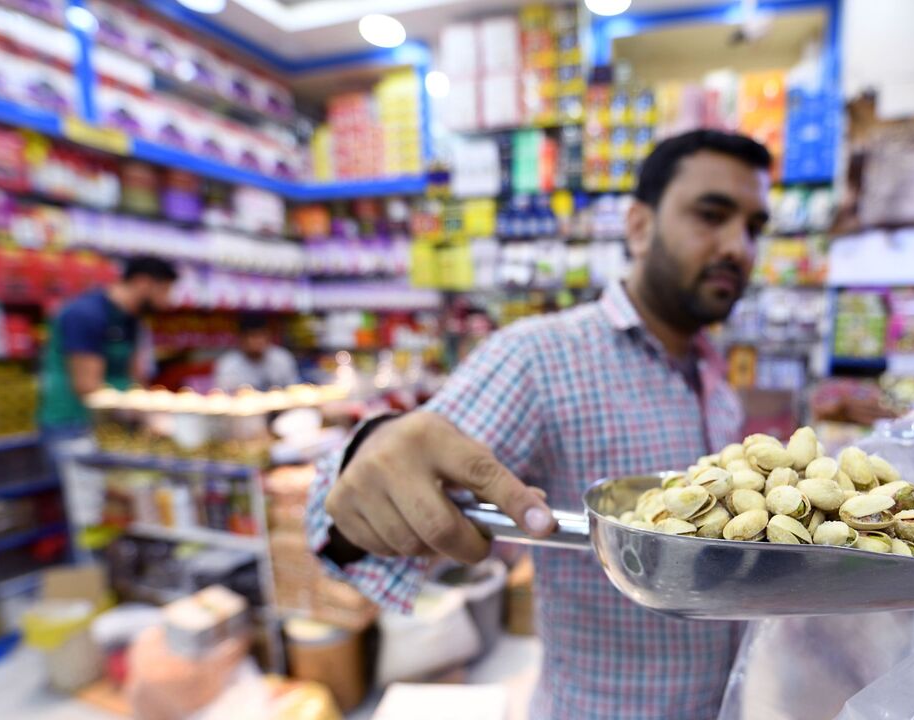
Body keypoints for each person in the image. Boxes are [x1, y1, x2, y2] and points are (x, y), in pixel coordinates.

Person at [307, 130, 772, 719]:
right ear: (638, 225)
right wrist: (369, 461)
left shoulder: (713, 372)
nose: (738, 246)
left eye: (755, 228)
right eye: (712, 215)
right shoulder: (541, 357)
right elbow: (344, 510)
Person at [39, 255, 178, 434]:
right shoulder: (86, 315)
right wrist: (142, 413)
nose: (167, 302)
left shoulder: (132, 319)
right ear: (143, 283)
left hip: (111, 424)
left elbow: (135, 376)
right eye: (164, 290)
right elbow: (87, 386)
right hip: (74, 425)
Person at [213, 313, 300, 391]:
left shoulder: (282, 358)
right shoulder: (228, 364)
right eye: (252, 336)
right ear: (241, 339)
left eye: (261, 335)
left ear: (268, 336)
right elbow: (223, 398)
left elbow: (293, 390)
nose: (257, 341)